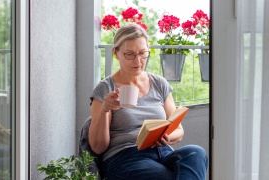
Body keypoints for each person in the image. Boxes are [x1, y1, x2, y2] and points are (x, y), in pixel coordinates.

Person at [88, 23, 208, 180]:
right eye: (129, 54)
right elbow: (98, 147)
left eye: (143, 53)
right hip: (125, 157)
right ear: (116, 53)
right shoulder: (105, 88)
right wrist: (105, 109)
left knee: (196, 153)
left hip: (163, 152)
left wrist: (166, 138)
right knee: (170, 177)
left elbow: (178, 131)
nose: (138, 61)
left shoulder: (159, 83)